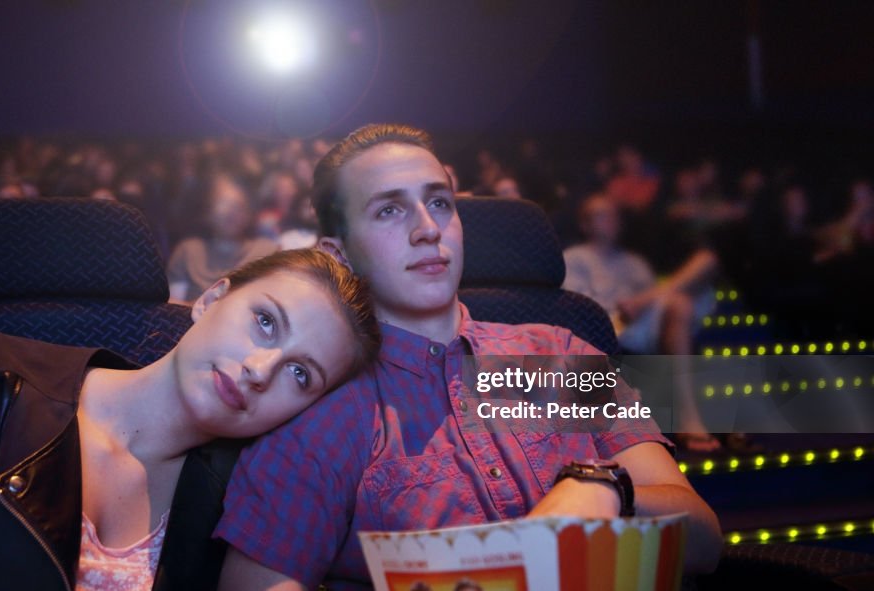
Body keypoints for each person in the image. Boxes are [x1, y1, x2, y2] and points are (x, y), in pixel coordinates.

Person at [216, 124, 723, 590]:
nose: (427, 229)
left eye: (439, 203)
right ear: (339, 254)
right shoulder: (318, 413)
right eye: (389, 210)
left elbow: (702, 537)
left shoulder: (563, 353)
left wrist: (604, 488)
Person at [0, 248, 380, 591]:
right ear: (212, 298)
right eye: (264, 321)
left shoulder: (247, 497)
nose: (260, 371)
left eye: (301, 375)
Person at [562, 195, 719, 453]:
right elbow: (576, 311)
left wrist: (642, 303)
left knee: (684, 297)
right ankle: (689, 418)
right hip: (608, 325)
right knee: (682, 297)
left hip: (641, 325)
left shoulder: (634, 263)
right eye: (602, 215)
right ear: (586, 225)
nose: (610, 220)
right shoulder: (574, 259)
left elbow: (659, 314)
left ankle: (693, 415)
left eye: (613, 214)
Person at [166, 173, 278, 305]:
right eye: (223, 203)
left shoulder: (267, 252)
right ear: (208, 211)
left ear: (249, 214)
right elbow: (172, 305)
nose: (230, 212)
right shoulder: (188, 250)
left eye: (238, 206)